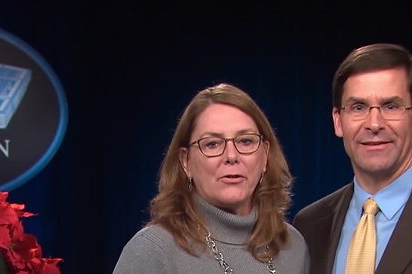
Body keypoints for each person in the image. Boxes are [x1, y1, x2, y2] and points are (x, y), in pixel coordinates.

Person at [113, 83, 310, 273]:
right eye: (212, 144)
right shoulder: (153, 251)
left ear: (265, 155)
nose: (231, 156)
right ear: (186, 161)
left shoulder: (292, 247)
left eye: (245, 141)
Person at [293, 43, 412, 274]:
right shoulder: (309, 225)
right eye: (358, 107)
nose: (374, 124)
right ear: (338, 120)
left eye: (390, 106)